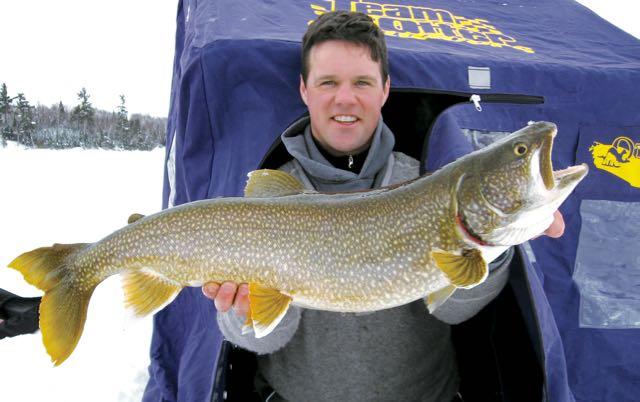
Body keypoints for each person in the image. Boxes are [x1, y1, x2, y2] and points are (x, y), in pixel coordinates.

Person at [201, 11, 565, 402]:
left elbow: (452, 309)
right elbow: (268, 338)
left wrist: (491, 244)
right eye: (328, 82)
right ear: (305, 90)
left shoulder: (428, 178)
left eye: (362, 82)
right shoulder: (269, 196)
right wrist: (241, 313)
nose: (345, 98)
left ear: (385, 90)